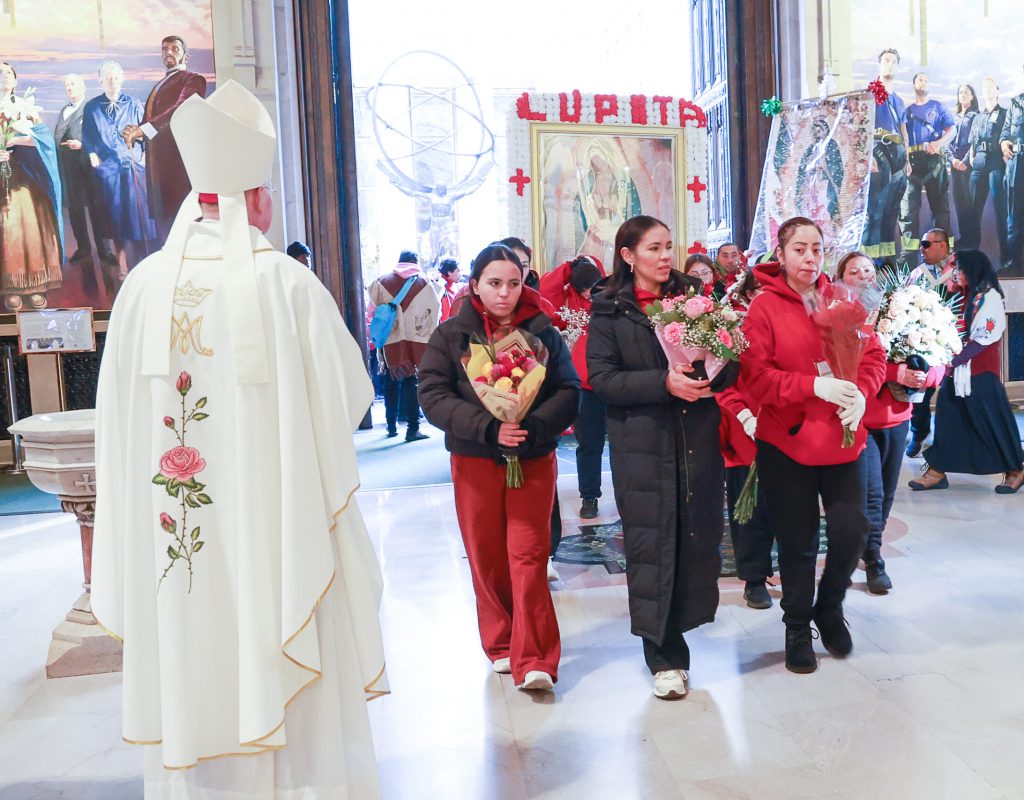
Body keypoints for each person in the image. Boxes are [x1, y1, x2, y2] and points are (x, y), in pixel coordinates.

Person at [91, 80, 387, 798]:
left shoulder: (138, 289)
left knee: (190, 652)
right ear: (255, 199)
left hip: (174, 560)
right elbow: (350, 401)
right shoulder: (287, 286)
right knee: (284, 651)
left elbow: (115, 425)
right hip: (274, 548)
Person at [418, 242, 579, 692]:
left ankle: (537, 659)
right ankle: (502, 644)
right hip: (474, 461)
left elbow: (569, 390)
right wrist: (490, 428)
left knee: (528, 555)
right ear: (475, 286)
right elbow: (433, 396)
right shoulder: (451, 335)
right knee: (486, 555)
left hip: (532, 458)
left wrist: (532, 425)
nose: (505, 293)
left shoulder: (543, 332)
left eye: (513, 283)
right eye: (494, 283)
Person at [587, 215, 737, 700]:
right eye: (653, 248)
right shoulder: (610, 308)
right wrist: (663, 383)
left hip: (695, 437)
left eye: (669, 246)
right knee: (652, 545)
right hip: (641, 443)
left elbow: (728, 359)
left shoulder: (694, 298)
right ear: (628, 256)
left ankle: (683, 628)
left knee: (695, 539)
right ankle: (664, 654)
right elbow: (603, 380)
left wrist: (716, 367)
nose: (665, 256)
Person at [741, 217, 886, 674]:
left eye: (816, 249)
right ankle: (798, 626)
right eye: (799, 249)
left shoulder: (843, 298)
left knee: (851, 531)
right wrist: (812, 388)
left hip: (844, 439)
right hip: (787, 442)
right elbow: (755, 377)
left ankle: (830, 604)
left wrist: (861, 393)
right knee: (797, 542)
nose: (809, 257)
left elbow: (875, 356)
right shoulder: (763, 308)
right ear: (780, 254)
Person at [836, 251, 943, 593]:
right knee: (871, 491)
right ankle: (874, 560)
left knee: (884, 494)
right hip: (860, 418)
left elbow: (939, 354)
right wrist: (896, 372)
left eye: (868, 269)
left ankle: (868, 547)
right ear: (841, 279)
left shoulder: (906, 309)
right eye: (854, 271)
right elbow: (845, 366)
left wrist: (923, 377)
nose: (864, 275)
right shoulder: (838, 317)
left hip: (897, 416)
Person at [909, 250, 1024, 494]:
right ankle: (937, 470)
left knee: (993, 422)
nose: (956, 273)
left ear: (972, 270)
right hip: (958, 373)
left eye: (960, 269)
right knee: (948, 417)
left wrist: (952, 360)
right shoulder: (963, 295)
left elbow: (984, 338)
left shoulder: (989, 298)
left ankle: (1015, 470)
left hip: (980, 374)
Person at [540, 254, 606, 519]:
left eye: (593, 289)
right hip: (585, 386)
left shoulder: (612, 296)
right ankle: (589, 496)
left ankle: (626, 494)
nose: (590, 295)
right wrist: (568, 268)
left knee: (624, 444)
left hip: (613, 382)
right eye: (585, 291)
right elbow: (545, 293)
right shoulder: (567, 302)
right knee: (589, 443)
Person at [122, 35, 208, 239]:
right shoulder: (160, 85)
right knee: (164, 229)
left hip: (179, 167)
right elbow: (151, 125)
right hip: (157, 172)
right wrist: (136, 132)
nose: (168, 52)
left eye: (175, 49)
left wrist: (142, 130)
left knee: (184, 226)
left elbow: (181, 110)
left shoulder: (193, 80)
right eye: (164, 48)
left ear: (186, 56)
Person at [82, 60, 156, 283]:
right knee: (116, 216)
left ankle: (144, 263)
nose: (112, 81)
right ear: (101, 81)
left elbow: (146, 129)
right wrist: (92, 155)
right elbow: (88, 136)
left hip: (132, 165)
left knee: (137, 215)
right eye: (107, 78)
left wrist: (143, 154)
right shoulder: (92, 106)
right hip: (110, 167)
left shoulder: (133, 103)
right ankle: (122, 264)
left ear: (122, 79)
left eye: (115, 77)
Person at [0, 61, 64, 311]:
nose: (3, 77)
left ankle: (35, 285)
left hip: (25, 173)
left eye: (7, 74)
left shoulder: (25, 107)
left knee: (30, 223)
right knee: (7, 226)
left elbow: (42, 138)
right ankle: (11, 287)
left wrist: (17, 141)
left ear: (15, 80)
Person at [368, 250, 439, 441]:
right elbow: (435, 310)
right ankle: (412, 428)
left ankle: (391, 426)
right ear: (415, 262)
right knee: (411, 383)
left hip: (391, 341)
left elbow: (373, 309)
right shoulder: (425, 283)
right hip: (415, 343)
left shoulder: (381, 281)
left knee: (391, 381)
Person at [904, 227, 956, 457]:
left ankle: (950, 439)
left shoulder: (959, 272)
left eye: (926, 244)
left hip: (954, 343)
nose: (921, 249)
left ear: (942, 245)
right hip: (925, 344)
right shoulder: (918, 274)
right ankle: (918, 432)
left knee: (953, 394)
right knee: (920, 391)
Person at [53, 73, 108, 272]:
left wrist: (82, 145)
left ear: (83, 87)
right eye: (67, 85)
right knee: (75, 210)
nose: (70, 88)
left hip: (88, 166)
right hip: (69, 167)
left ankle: (104, 251)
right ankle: (84, 248)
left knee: (95, 208)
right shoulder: (64, 111)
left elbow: (102, 136)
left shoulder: (92, 108)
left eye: (74, 84)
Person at [900, 72, 955, 252]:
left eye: (926, 79)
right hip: (913, 162)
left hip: (934, 159)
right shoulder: (907, 112)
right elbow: (903, 138)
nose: (923, 82)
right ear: (914, 84)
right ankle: (908, 256)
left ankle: (945, 255)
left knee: (940, 208)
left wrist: (938, 143)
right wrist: (905, 161)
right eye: (919, 79)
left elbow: (951, 130)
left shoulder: (938, 107)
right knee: (909, 209)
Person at [862, 48, 908, 262]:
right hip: (878, 149)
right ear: (879, 65)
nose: (889, 64)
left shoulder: (898, 100)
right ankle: (870, 263)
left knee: (891, 211)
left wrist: (907, 159)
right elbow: (861, 126)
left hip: (898, 154)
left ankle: (887, 262)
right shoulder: (869, 93)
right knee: (876, 210)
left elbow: (903, 130)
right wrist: (867, 154)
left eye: (893, 61)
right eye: (886, 60)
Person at [968, 77, 1009, 264]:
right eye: (985, 87)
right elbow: (972, 142)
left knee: (1002, 211)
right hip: (979, 163)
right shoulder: (978, 116)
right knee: (973, 211)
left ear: (998, 91)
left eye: (992, 86)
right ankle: (972, 256)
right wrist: (972, 157)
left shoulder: (1005, 114)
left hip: (996, 163)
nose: (988, 89)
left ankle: (1007, 259)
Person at [949, 85, 980, 249]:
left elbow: (975, 140)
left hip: (968, 165)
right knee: (959, 204)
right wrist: (952, 160)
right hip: (954, 164)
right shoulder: (953, 117)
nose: (963, 94)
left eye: (967, 92)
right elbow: (946, 140)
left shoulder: (976, 116)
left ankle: (971, 242)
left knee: (969, 205)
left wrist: (965, 161)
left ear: (973, 96)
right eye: (960, 92)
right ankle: (964, 239)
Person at [1000, 67, 1024, 270]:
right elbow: (1005, 131)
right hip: (1017, 165)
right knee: (1014, 217)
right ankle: (1014, 262)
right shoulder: (1015, 103)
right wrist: (1003, 143)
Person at [437, 257, 461, 322]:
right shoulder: (439, 287)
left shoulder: (455, 286)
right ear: (449, 272)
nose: (460, 275)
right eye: (458, 271)